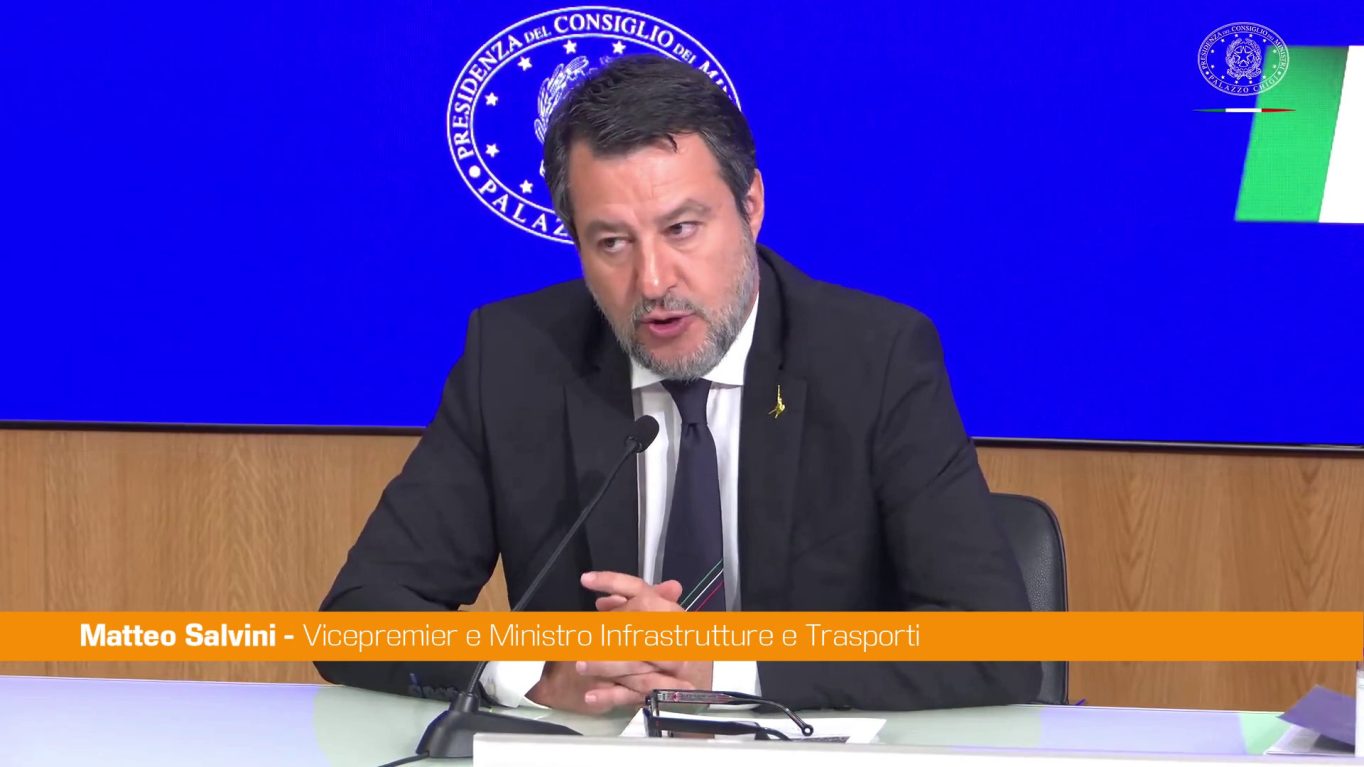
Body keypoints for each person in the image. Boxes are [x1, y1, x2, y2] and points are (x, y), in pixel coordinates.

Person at [316, 54, 1040, 712]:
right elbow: (357, 619)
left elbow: (995, 645)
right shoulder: (515, 359)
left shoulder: (874, 358)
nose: (653, 281)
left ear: (750, 206)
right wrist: (538, 670)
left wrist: (721, 666)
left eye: (682, 229)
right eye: (612, 242)